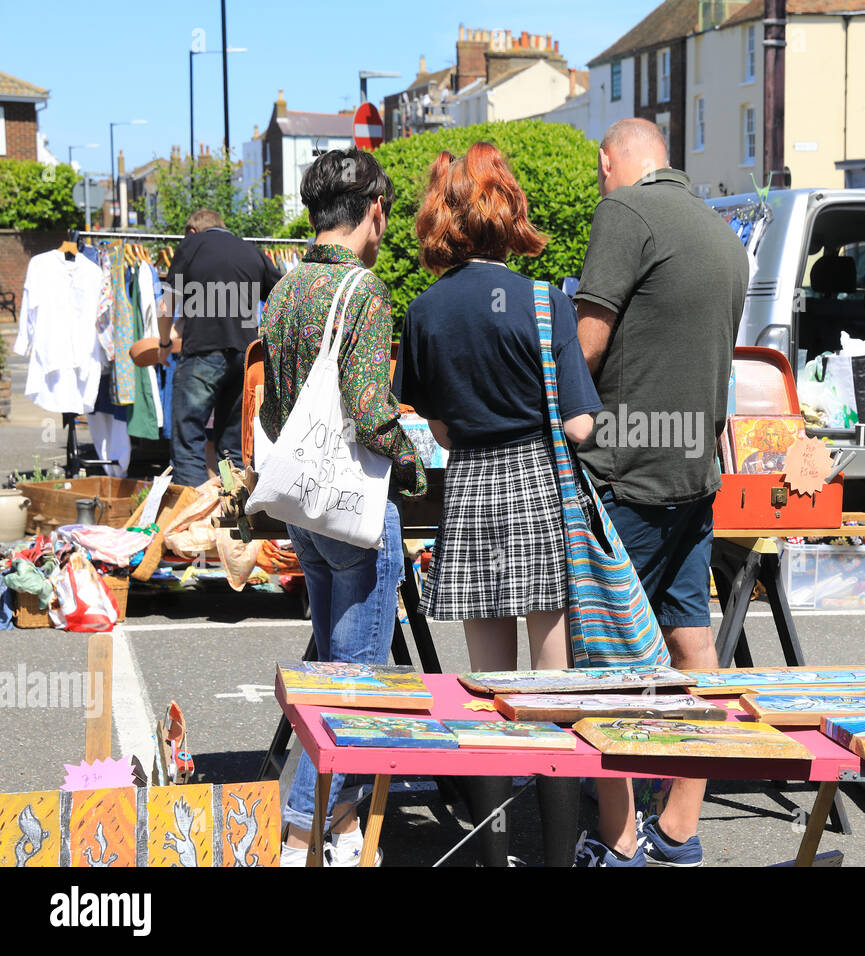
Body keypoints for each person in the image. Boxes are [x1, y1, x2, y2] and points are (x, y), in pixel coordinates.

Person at [399, 142, 603, 867]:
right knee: (549, 684)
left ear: (440, 216)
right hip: (538, 485)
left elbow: (440, 424)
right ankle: (553, 853)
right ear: (507, 207)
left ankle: (489, 855)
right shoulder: (546, 302)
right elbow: (580, 425)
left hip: (472, 485)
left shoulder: (422, 312)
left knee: (487, 685)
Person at [573, 118, 750, 866]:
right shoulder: (722, 232)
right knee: (693, 645)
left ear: (612, 163)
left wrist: (580, 424)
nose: (601, 185)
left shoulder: (625, 212)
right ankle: (679, 826)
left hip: (629, 470)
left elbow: (586, 344)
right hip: (692, 471)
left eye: (600, 172)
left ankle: (615, 841)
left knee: (602, 659)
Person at [258, 147, 427, 866]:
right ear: (376, 210)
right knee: (353, 688)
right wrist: (412, 460)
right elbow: (366, 409)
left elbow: (270, 405)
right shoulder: (364, 292)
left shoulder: (285, 288)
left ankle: (344, 822)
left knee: (330, 671)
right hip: (355, 509)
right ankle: (301, 831)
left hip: (303, 504)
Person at [158, 209, 282, 487]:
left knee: (188, 436)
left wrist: (164, 343)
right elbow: (282, 294)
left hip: (203, 353)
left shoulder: (190, 245)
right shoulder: (251, 251)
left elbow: (166, 304)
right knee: (232, 447)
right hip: (245, 358)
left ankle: (192, 518)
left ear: (192, 231)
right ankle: (232, 514)